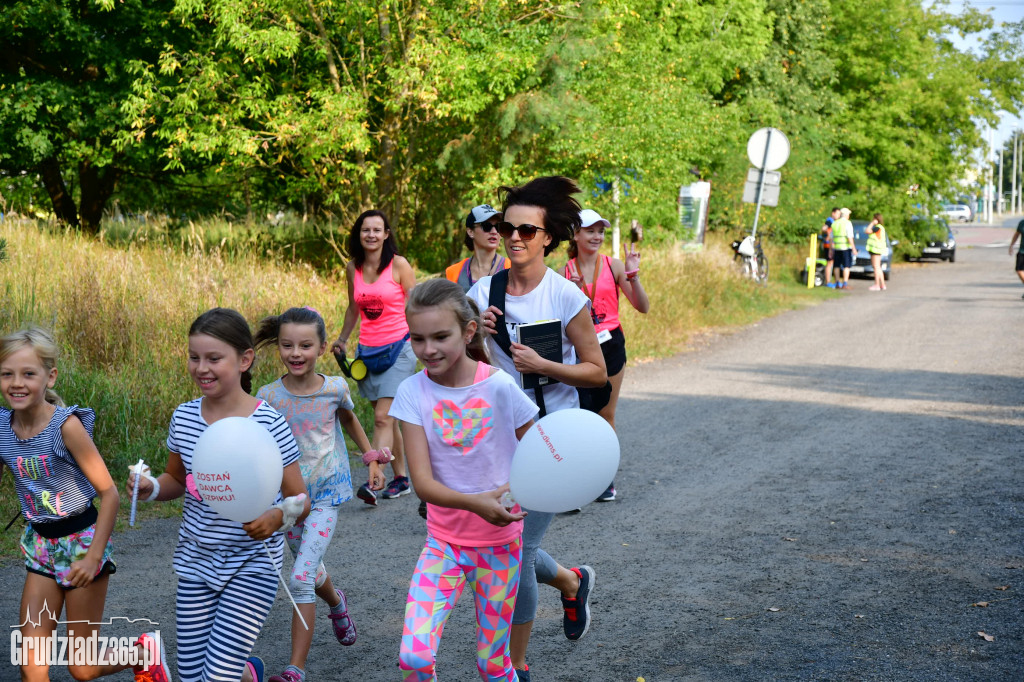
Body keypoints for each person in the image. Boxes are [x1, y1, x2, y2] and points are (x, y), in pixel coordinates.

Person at [467, 176, 607, 681]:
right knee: (499, 540)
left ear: (549, 237)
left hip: (553, 436)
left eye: (528, 229)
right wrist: (475, 341)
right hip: (497, 433)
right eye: (508, 227)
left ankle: (516, 665)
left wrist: (547, 366)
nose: (515, 237)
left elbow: (596, 370)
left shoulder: (565, 296)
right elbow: (477, 373)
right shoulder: (485, 290)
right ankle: (571, 582)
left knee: (518, 549)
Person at [127, 308, 311, 682]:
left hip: (252, 565)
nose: (201, 368)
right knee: (192, 675)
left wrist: (278, 517)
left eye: (214, 358)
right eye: (194, 357)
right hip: (196, 562)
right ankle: (249, 674)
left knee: (217, 676)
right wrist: (151, 488)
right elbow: (177, 479)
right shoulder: (184, 417)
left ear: (244, 360)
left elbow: (300, 498)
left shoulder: (268, 423)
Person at [1, 327, 171, 682]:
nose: (17, 383)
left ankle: (143, 652)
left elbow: (108, 494)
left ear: (50, 377)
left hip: (82, 543)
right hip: (41, 547)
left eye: (28, 374)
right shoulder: (3, 427)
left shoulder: (66, 427)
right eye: (7, 373)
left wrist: (94, 556)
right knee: (30, 666)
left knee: (82, 667)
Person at [390, 278, 538, 681]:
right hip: (444, 545)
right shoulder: (411, 392)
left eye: (441, 336)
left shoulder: (500, 385)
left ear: (468, 331)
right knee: (414, 659)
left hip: (499, 546)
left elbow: (540, 452)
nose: (428, 349)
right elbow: (422, 483)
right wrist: (478, 503)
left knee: (493, 663)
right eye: (418, 339)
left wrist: (524, 490)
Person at [254, 306, 387, 682]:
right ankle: (336, 603)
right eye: (287, 345)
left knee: (299, 576)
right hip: (290, 500)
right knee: (309, 571)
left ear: (322, 347)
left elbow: (348, 418)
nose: (296, 353)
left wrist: (372, 459)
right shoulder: (268, 397)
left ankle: (295, 669)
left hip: (327, 494)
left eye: (305, 346)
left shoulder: (335, 388)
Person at [331, 210, 418, 504]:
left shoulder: (399, 266)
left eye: (376, 230)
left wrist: (423, 338)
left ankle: (374, 476)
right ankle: (402, 478)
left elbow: (417, 304)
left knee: (382, 417)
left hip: (400, 349)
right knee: (389, 422)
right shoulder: (352, 267)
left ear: (386, 234)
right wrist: (343, 339)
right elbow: (353, 308)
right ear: (359, 234)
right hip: (367, 352)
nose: (371, 235)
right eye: (365, 230)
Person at [563, 208, 649, 501]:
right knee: (581, 415)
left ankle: (605, 479)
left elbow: (642, 306)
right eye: (590, 230)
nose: (597, 236)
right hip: (579, 349)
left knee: (605, 415)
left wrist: (633, 274)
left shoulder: (613, 266)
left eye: (600, 231)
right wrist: (574, 291)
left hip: (611, 343)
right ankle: (581, 477)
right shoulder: (564, 271)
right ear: (576, 234)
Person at [445, 204, 512, 293]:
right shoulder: (453, 272)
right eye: (486, 226)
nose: (494, 232)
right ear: (470, 232)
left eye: (497, 227)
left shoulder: (512, 268)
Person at [831, 207, 857, 290]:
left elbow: (831, 238)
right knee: (846, 266)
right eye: (848, 214)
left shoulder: (835, 223)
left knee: (836, 266)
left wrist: (831, 250)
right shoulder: (847, 223)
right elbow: (849, 237)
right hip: (845, 248)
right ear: (846, 215)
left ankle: (837, 283)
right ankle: (845, 283)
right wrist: (853, 248)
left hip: (837, 248)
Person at [865, 213, 888, 291]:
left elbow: (867, 231)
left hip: (875, 250)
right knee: (878, 267)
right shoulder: (881, 228)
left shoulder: (877, 228)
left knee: (876, 267)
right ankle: (883, 284)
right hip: (878, 249)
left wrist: (872, 223)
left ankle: (877, 284)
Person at [821, 207, 840, 288]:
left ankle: (831, 280)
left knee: (832, 263)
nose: (838, 216)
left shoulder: (835, 222)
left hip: (832, 245)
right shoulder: (830, 220)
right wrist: (828, 233)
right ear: (833, 213)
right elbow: (824, 228)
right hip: (828, 245)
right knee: (829, 263)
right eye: (837, 214)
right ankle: (828, 281)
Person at [1009, 217, 1024, 298]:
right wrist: (1011, 245)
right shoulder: (1022, 223)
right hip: (1022, 251)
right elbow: (1017, 234)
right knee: (1019, 270)